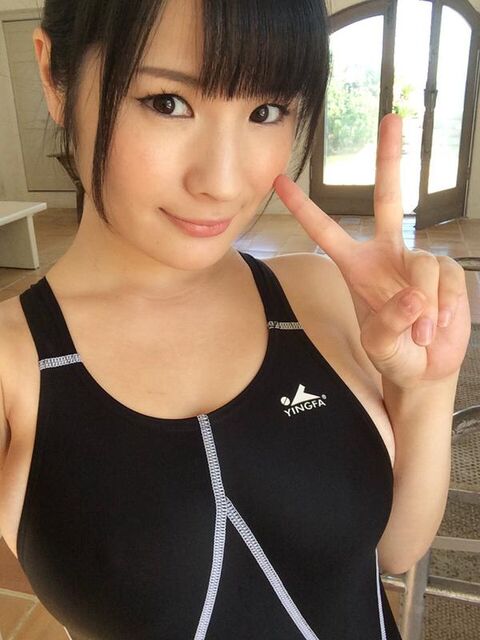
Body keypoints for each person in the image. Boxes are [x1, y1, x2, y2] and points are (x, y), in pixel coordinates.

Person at [0, 0, 471, 638]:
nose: (221, 182)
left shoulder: (314, 293)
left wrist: (425, 387)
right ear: (55, 76)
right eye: (167, 102)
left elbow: (389, 551)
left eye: (266, 111)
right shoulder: (12, 367)